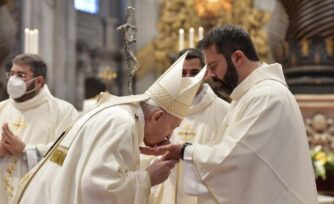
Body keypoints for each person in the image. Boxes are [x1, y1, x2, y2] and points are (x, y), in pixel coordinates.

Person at [142, 25, 318, 203]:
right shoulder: (248, 96)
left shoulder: (267, 96)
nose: (210, 75)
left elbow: (236, 159)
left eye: (213, 66)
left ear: (238, 58)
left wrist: (184, 151)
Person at [13, 51, 207, 204]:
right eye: (172, 126)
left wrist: (145, 168)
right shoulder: (122, 123)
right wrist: (148, 178)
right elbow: (96, 187)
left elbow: (94, 169)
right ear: (157, 117)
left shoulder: (120, 114)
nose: (169, 136)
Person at [144, 48, 229, 204]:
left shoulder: (224, 111)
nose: (188, 78)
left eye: (194, 72)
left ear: (205, 73)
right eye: (183, 73)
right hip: (167, 189)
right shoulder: (161, 107)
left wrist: (186, 153)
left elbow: (228, 157)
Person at [0, 54, 78, 204]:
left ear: (39, 81)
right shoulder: (1, 108)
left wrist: (25, 150)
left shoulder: (63, 112)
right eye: (11, 74)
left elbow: (66, 156)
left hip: (40, 197)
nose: (13, 80)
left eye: (21, 75)